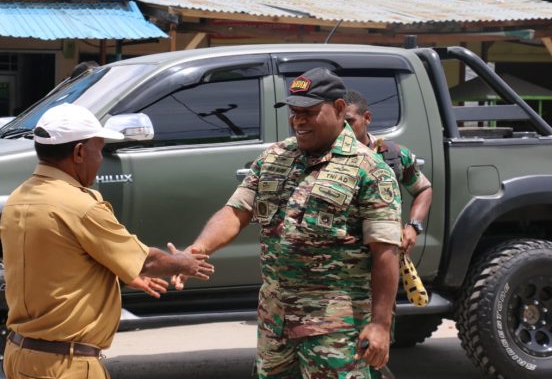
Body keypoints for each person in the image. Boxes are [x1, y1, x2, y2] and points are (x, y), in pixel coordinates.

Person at [176, 68, 402, 378]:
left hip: (335, 327)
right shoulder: (274, 157)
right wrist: (197, 250)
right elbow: (236, 211)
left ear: (338, 109)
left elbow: (386, 252)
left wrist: (380, 324)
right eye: (294, 112)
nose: (298, 120)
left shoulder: (369, 169)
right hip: (275, 319)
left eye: (309, 112)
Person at [0, 103, 214, 379]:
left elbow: (58, 265)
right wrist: (184, 262)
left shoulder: (18, 198)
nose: (100, 159)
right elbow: (147, 261)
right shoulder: (80, 205)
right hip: (64, 365)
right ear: (78, 152)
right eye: (98, 150)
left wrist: (121, 275)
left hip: (19, 354)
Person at [344, 90, 432, 254]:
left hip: (385, 257)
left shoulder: (391, 155)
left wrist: (413, 226)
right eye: (339, 123)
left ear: (367, 118)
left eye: (349, 121)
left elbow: (423, 189)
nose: (344, 129)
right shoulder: (322, 156)